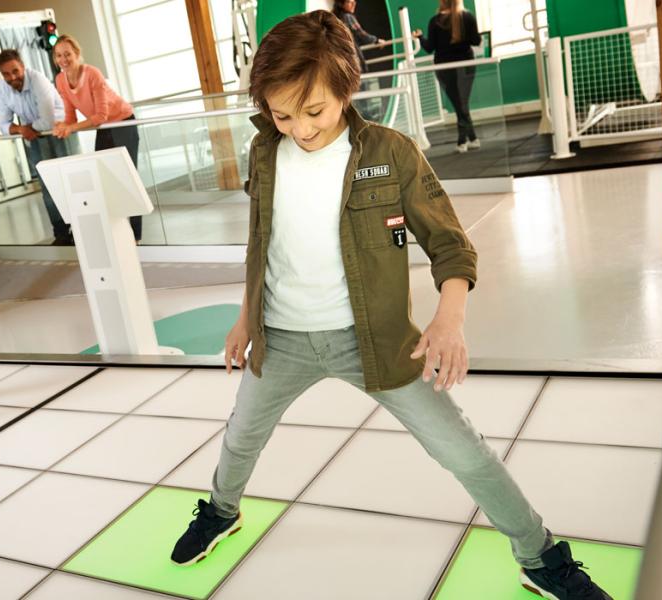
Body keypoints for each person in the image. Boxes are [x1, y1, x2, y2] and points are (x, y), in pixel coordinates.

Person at [167, 12, 612, 600]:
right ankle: (223, 510)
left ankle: (538, 554)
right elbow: (261, 241)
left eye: (314, 111)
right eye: (281, 114)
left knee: (463, 452)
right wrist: (246, 317)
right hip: (283, 338)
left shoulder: (392, 153)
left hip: (374, 341)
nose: (298, 129)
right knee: (241, 437)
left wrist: (448, 319)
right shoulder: (264, 152)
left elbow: (451, 245)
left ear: (347, 90)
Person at [50, 34, 143, 242]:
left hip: (122, 121)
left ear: (77, 54)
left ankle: (136, 235)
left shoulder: (92, 74)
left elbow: (101, 115)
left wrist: (71, 127)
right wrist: (63, 125)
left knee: (127, 178)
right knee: (101, 179)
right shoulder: (60, 80)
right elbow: (70, 117)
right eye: (58, 55)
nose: (63, 59)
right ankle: (115, 230)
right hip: (104, 126)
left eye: (67, 54)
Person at [0, 49, 75, 246]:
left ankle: (81, 227)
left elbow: (48, 120)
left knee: (70, 180)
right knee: (47, 187)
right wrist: (22, 129)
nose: (12, 77)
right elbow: (3, 124)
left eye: (15, 71)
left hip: (59, 131)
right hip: (36, 136)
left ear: (23, 66)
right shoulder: (2, 88)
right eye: (6, 74)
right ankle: (61, 233)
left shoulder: (37, 79)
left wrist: (25, 129)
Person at [417, 0, 483, 153]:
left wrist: (420, 37)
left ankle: (463, 141)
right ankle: (472, 138)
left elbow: (429, 48)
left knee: (459, 104)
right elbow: (476, 40)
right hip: (466, 65)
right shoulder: (467, 17)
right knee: (462, 103)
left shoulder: (435, 21)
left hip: (444, 67)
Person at [332, 0, 385, 120]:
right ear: (342, 4)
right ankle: (366, 118)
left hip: (344, 63)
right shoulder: (348, 17)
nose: (354, 4)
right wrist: (376, 40)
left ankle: (359, 118)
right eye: (350, 2)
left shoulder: (335, 19)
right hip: (354, 61)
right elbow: (361, 34)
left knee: (354, 92)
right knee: (362, 88)